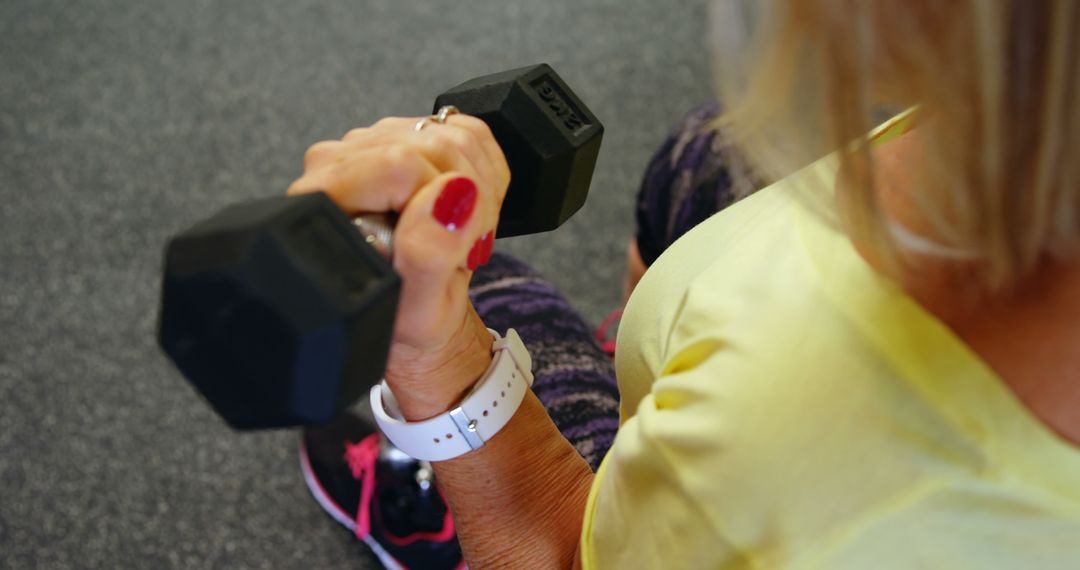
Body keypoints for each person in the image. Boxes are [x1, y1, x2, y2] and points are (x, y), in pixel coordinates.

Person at [289, 1, 1080, 567]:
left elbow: (555, 552)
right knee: (708, 154)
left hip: (685, 506)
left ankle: (445, 511)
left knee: (479, 282)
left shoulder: (793, 468)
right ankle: (645, 388)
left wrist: (432, 356)